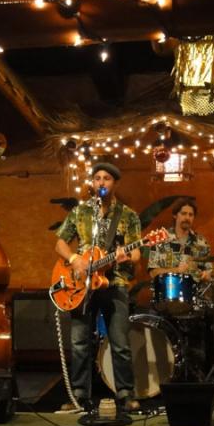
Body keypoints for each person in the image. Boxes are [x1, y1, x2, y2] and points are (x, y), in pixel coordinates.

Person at [55, 162, 141, 412]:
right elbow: (60, 243)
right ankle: (79, 395)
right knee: (79, 342)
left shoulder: (128, 215)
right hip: (81, 285)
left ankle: (125, 394)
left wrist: (126, 256)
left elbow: (137, 253)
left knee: (120, 343)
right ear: (92, 183)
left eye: (107, 178)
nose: (101, 182)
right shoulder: (81, 212)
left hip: (115, 283)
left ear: (115, 183)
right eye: (97, 178)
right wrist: (75, 259)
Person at [147, 197, 214, 377]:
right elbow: (153, 272)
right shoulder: (162, 239)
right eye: (183, 213)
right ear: (175, 215)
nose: (187, 217)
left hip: (194, 299)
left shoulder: (200, 242)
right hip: (166, 298)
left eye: (191, 214)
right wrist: (176, 270)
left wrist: (208, 274)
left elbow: (210, 269)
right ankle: (163, 371)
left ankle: (206, 372)